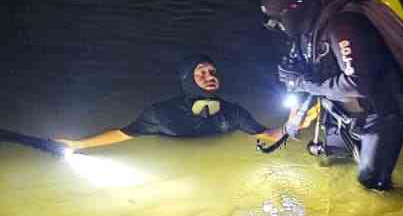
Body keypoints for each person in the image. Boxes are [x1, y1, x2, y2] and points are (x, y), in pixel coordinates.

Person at [259, 0, 403, 191]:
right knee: (333, 159)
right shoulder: (307, 33)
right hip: (342, 111)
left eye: (278, 19)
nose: (278, 26)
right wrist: (286, 128)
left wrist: (305, 83)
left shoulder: (343, 25)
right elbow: (303, 84)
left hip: (382, 113)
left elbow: (357, 84)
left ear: (294, 9)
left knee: (371, 184)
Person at [59, 56, 281, 150]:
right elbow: (123, 133)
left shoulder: (233, 112)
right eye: (201, 73)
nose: (210, 76)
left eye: (212, 72)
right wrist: (78, 145)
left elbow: (268, 135)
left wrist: (301, 119)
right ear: (187, 80)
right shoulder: (161, 113)